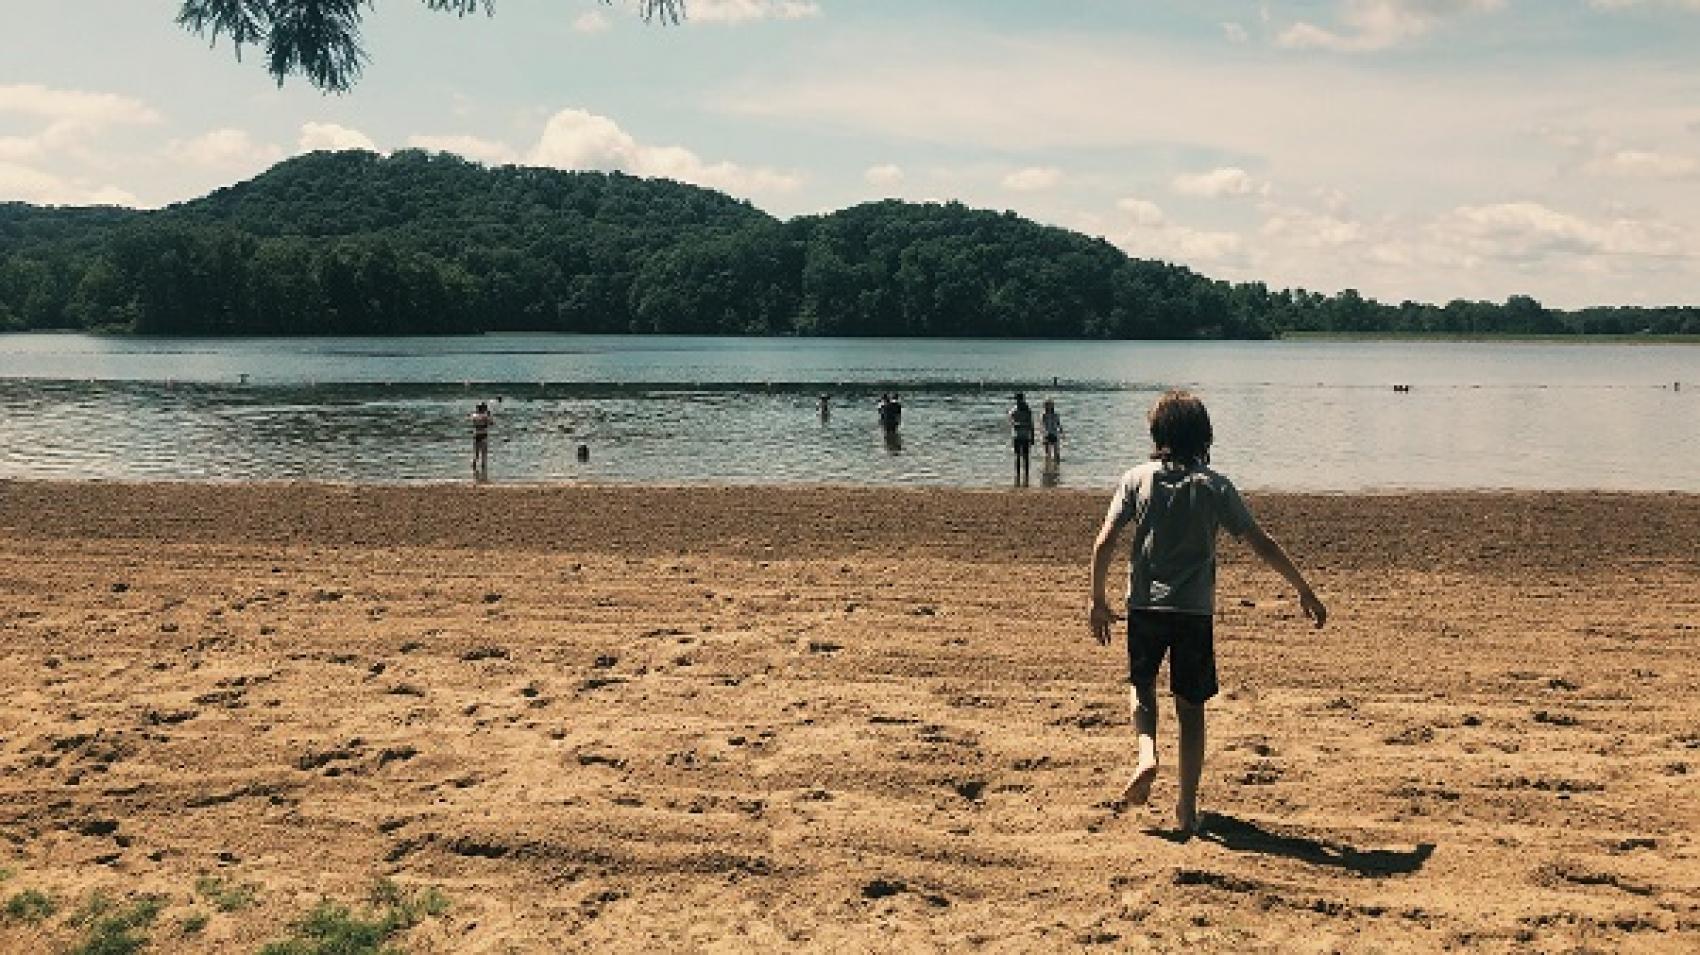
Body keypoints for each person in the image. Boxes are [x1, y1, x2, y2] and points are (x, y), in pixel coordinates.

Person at [1088, 389, 1326, 836]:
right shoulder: (1216, 485)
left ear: (1157, 434)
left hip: (1144, 605)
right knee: (1191, 709)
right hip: (1194, 612)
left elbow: (1104, 542)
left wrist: (1097, 600)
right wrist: (1304, 590)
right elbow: (1262, 543)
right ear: (1203, 435)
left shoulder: (1136, 478)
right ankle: (1186, 807)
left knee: (1141, 686)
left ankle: (1146, 754)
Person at [1008, 392, 1035, 486]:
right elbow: (1012, 422)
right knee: (1018, 456)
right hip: (1017, 436)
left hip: (1023, 436)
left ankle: (1025, 475)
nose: (1018, 401)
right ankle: (1019, 475)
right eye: (1017, 399)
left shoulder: (1026, 410)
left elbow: (1031, 424)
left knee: (1025, 456)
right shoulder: (1015, 410)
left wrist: (1032, 436)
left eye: (1018, 399)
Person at [470, 401, 493, 479]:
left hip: (476, 435)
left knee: (476, 454)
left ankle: (474, 471)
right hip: (483, 436)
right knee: (484, 455)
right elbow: (491, 423)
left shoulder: (474, 416)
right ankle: (484, 473)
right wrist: (489, 415)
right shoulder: (485, 416)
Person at [1041, 398, 1063, 466]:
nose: (1048, 407)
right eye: (1047, 405)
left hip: (1054, 433)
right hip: (1047, 434)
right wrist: (1043, 434)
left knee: (1056, 451)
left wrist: (1061, 431)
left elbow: (1058, 424)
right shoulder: (1044, 415)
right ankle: (1048, 464)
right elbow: (1043, 425)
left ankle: (1057, 465)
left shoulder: (1055, 415)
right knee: (1047, 452)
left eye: (1049, 405)